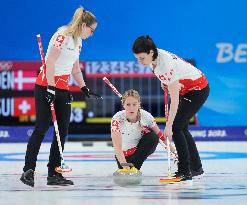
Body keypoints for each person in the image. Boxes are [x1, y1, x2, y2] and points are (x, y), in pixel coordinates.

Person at [20, 6, 101, 187]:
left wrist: (84, 88)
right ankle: (28, 170)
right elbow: (49, 62)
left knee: (61, 131)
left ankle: (54, 173)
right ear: (83, 25)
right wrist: (50, 87)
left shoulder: (79, 41)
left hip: (63, 88)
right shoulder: (62, 35)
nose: (92, 34)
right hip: (45, 85)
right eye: (91, 30)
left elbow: (74, 68)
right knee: (41, 127)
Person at [132, 35, 210, 181]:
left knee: (176, 127)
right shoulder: (154, 58)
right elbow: (170, 78)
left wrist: (168, 127)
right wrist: (165, 82)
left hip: (198, 90)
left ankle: (184, 171)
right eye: (137, 58)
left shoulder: (165, 65)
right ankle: (196, 167)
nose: (139, 62)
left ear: (150, 52)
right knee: (182, 128)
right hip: (188, 89)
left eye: (141, 58)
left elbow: (174, 100)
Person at [111, 89, 176, 170]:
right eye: (128, 104)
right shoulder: (117, 119)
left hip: (138, 154)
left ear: (139, 104)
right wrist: (126, 167)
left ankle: (135, 166)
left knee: (153, 136)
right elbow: (117, 149)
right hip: (123, 157)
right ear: (123, 105)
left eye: (134, 104)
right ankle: (132, 167)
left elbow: (161, 137)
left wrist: (175, 152)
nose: (131, 108)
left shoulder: (146, 117)